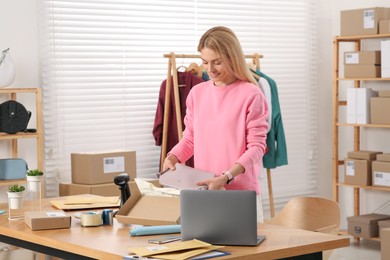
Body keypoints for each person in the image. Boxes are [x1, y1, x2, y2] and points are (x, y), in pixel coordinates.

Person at [162, 26, 269, 223]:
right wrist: (173, 156)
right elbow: (191, 138)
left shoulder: (251, 94)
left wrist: (226, 176)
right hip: (204, 191)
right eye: (205, 62)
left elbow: (257, 147)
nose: (209, 69)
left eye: (217, 62)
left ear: (232, 58)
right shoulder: (197, 93)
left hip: (240, 194)